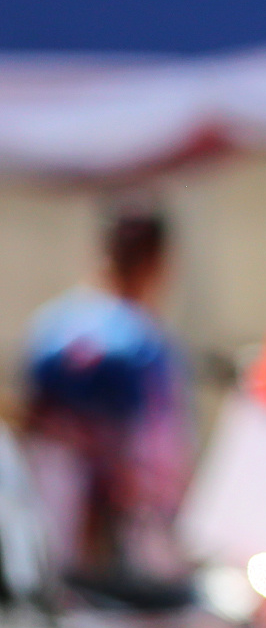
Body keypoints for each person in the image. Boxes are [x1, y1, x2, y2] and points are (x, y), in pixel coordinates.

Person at [19, 206, 193, 588]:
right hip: (125, 548)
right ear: (157, 261)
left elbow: (29, 435)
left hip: (46, 544)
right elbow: (158, 459)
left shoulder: (51, 328)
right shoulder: (144, 343)